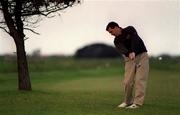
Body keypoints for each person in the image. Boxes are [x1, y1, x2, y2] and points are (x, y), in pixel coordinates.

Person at [106, 21, 149, 109]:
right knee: (127, 82)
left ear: (116, 27)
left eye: (111, 31)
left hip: (142, 55)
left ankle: (137, 103)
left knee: (140, 79)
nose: (111, 34)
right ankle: (127, 101)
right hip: (129, 59)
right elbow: (123, 50)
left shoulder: (130, 29)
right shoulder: (116, 40)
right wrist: (129, 53)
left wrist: (133, 51)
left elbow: (135, 39)